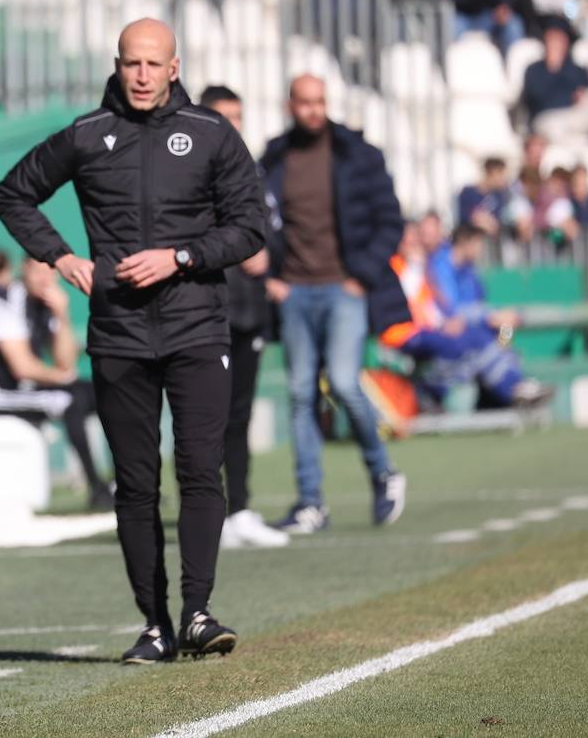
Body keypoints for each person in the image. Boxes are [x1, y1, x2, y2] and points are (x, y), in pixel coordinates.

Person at [0, 19, 265, 665]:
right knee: (135, 485)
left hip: (197, 326)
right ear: (117, 65)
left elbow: (251, 226)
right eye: (130, 63)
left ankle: (197, 611)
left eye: (153, 64)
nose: (141, 75)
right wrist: (59, 256)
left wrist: (182, 256)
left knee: (201, 470)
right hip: (117, 334)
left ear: (175, 67)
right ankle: (153, 623)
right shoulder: (88, 135)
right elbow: (14, 194)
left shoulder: (210, 134)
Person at [260, 75, 409, 534]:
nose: (313, 110)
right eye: (304, 102)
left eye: (319, 101)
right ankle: (311, 502)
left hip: (344, 289)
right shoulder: (274, 158)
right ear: (290, 104)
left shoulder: (356, 154)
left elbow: (390, 222)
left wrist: (361, 277)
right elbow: (254, 223)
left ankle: (383, 473)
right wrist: (270, 279)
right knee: (301, 394)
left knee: (343, 383)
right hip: (295, 292)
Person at [198, 86, 291, 551]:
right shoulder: (193, 167)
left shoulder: (252, 169)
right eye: (223, 115)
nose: (232, 124)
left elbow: (272, 231)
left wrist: (264, 255)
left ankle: (241, 509)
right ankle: (210, 514)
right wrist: (240, 252)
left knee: (240, 415)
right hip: (209, 309)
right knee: (207, 419)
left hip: (249, 311)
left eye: (238, 115)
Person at [0, 253, 113, 511]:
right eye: (37, 271)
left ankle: (127, 482)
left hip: (28, 388)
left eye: (49, 272)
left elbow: (65, 361)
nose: (44, 279)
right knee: (68, 400)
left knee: (105, 392)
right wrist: (64, 377)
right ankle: (97, 487)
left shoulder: (45, 305)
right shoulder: (5, 302)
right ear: (24, 270)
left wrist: (62, 315)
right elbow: (23, 368)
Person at [388, 224, 551, 407]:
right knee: (485, 339)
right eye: (478, 243)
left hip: (474, 323)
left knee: (505, 332)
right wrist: (490, 316)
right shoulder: (439, 266)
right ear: (465, 243)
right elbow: (449, 309)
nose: (481, 249)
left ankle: (514, 378)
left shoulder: (469, 270)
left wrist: (497, 316)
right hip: (457, 324)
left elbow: (480, 303)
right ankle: (514, 388)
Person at [522, 17, 588, 145]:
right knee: (557, 131)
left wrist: (582, 99)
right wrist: (553, 67)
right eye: (551, 38)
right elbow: (535, 98)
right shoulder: (534, 70)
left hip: (573, 120)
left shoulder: (577, 70)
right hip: (545, 120)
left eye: (559, 39)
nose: (555, 43)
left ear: (566, 42)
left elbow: (585, 97)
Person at [457, 157, 511, 237]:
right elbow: (465, 218)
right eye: (501, 174)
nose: (504, 179)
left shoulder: (499, 196)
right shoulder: (467, 193)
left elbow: (497, 223)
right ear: (493, 172)